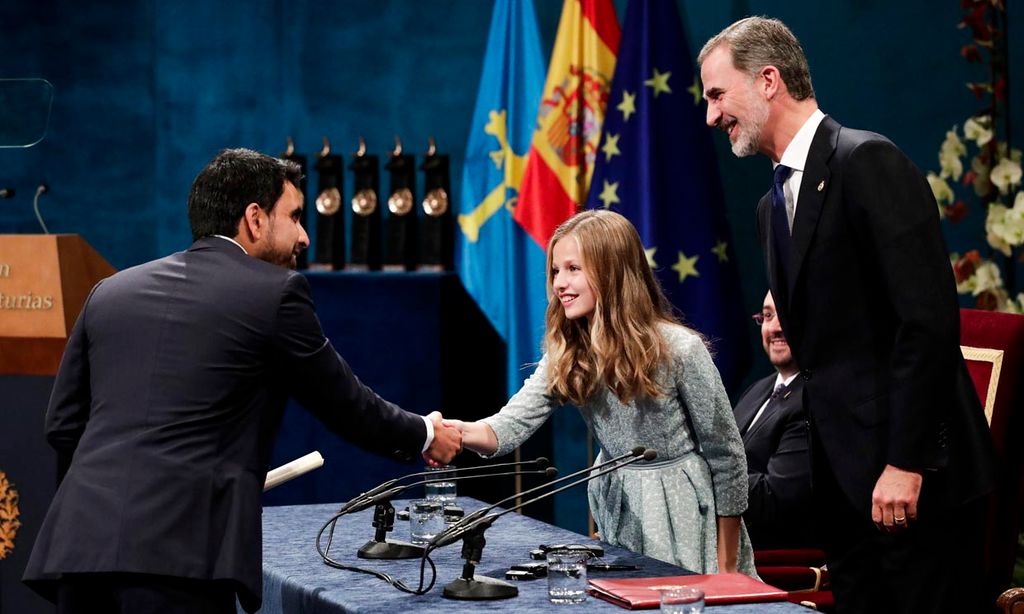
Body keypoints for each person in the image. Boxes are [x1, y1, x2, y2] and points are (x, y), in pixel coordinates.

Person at [22, 148, 462, 614]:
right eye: (294, 217)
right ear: (255, 219)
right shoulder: (275, 294)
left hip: (78, 551)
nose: (305, 236)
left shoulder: (109, 292)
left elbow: (63, 425)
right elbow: (347, 404)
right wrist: (427, 433)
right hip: (179, 560)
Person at [699, 17, 997, 613]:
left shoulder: (867, 161)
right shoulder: (769, 206)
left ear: (767, 80)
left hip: (915, 488)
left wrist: (906, 462)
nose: (711, 116)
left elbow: (927, 323)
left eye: (716, 94)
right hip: (844, 497)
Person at [442, 209, 755, 576]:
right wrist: (445, 432)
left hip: (683, 514)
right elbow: (506, 428)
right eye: (556, 270)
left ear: (612, 271)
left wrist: (728, 567)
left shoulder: (680, 349)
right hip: (616, 507)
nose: (559, 283)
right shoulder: (568, 354)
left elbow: (727, 458)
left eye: (573, 269)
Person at [733, 290, 815, 550]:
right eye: (767, 316)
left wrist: (704, 474)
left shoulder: (815, 400)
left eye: (787, 316)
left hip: (777, 562)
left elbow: (776, 497)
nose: (775, 328)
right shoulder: (759, 389)